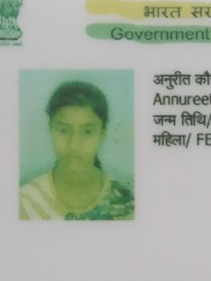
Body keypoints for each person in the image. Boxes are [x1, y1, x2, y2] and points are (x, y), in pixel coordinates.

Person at [19, 81, 134, 220]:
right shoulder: (25, 202)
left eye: (87, 132)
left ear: (103, 132)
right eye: (63, 130)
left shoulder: (127, 205)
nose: (74, 145)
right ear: (50, 128)